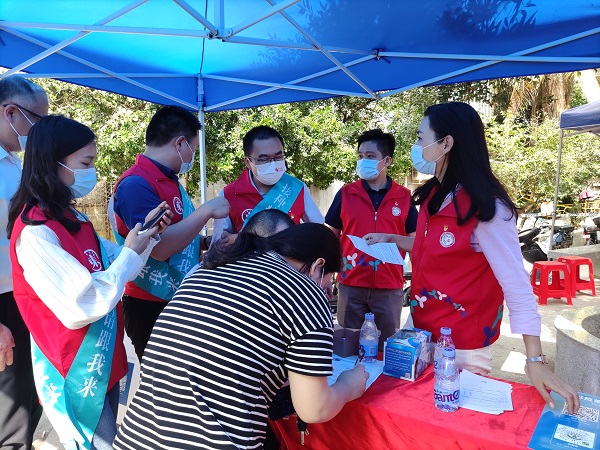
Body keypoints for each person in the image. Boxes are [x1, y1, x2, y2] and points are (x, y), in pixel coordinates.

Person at [364, 101, 580, 413]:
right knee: (417, 416)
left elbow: (516, 285)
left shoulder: (488, 208)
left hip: (462, 343)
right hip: (420, 330)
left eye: (422, 137)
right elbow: (435, 248)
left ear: (446, 143)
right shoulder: (433, 197)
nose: (416, 146)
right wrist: (394, 239)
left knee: (451, 420)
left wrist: (535, 359)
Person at [113, 223, 368, 450]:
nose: (328, 293)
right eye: (329, 284)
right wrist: (348, 386)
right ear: (318, 266)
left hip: (136, 437)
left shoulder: (209, 268)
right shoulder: (305, 292)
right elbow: (315, 408)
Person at [7, 115, 169, 449]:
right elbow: (82, 303)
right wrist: (130, 253)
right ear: (53, 162)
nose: (91, 172)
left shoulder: (73, 218)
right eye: (85, 163)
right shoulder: (36, 232)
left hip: (102, 360)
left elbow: (114, 262)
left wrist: (147, 238)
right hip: (75, 369)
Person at [111, 105, 230, 361]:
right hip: (150, 300)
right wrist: (207, 210)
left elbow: (179, 235)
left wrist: (204, 242)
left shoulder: (167, 179)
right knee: (164, 377)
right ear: (180, 143)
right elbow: (159, 247)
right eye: (193, 149)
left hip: (176, 295)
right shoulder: (136, 184)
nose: (192, 156)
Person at [325, 129, 417, 347]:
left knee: (387, 348)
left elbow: (415, 243)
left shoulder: (404, 197)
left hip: (389, 286)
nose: (363, 161)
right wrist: (327, 275)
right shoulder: (346, 193)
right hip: (350, 284)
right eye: (360, 156)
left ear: (387, 160)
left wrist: (419, 281)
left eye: (370, 156)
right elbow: (330, 237)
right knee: (347, 346)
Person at [0, 76, 48, 450]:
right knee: (11, 422)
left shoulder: (13, 162)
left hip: (23, 299)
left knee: (29, 406)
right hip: (3, 306)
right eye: (39, 120)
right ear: (11, 112)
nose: (40, 131)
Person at [215, 125, 324, 246]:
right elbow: (221, 243)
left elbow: (319, 232)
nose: (273, 164)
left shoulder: (297, 188)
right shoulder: (228, 195)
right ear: (248, 162)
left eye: (278, 157)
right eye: (264, 159)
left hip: (289, 258)